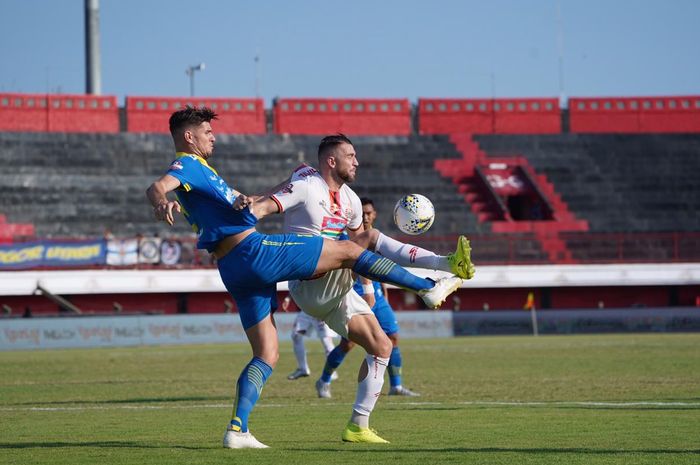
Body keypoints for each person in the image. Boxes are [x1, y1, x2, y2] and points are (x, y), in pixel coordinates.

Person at [146, 107, 465, 449]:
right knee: (349, 251)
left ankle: (237, 429)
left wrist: (241, 200)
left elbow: (228, 206)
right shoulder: (188, 164)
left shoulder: (204, 172)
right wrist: (161, 201)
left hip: (233, 268)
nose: (213, 137)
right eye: (207, 132)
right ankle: (428, 288)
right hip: (252, 251)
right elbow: (158, 186)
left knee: (267, 353)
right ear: (189, 136)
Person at [246, 134, 475, 443]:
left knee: (382, 347)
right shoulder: (306, 185)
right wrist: (249, 208)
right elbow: (264, 207)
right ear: (331, 160)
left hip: (336, 287)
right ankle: (439, 270)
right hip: (307, 281)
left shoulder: (352, 200)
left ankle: (358, 425)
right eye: (350, 155)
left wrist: (365, 282)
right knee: (369, 237)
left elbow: (360, 255)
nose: (356, 161)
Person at [315, 198, 422, 399]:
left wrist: (384, 293)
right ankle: (324, 381)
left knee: (393, 337)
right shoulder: (346, 238)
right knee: (347, 344)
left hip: (378, 298)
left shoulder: (377, 239)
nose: (365, 216)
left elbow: (382, 269)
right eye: (361, 213)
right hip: (354, 296)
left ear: (374, 215)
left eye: (368, 213)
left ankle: (396, 386)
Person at [283, 297, 340, 381]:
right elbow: (295, 283)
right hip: (306, 310)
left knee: (326, 340)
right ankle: (303, 369)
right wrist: (288, 298)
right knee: (296, 335)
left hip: (321, 308)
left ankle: (331, 371)